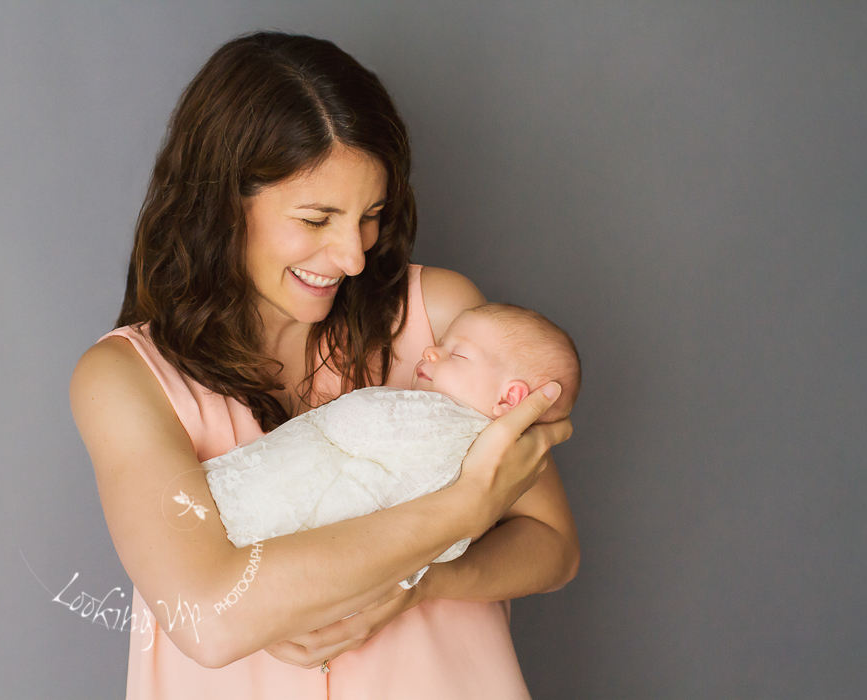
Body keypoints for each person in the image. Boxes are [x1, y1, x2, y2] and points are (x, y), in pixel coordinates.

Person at [70, 31, 577, 699]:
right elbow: (212, 618)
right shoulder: (124, 381)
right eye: (316, 219)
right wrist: (459, 513)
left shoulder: (446, 323)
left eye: (371, 215)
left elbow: (553, 545)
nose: (354, 256)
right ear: (221, 205)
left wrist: (427, 584)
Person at [203, 304, 581, 589]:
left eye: (458, 353)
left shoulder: (453, 428)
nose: (431, 350)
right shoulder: (481, 448)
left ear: (510, 398)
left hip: (285, 546)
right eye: (441, 342)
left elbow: (357, 425)